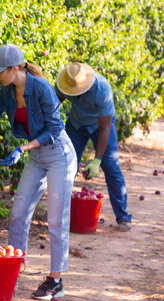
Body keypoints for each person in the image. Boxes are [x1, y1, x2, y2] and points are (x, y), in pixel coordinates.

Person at [0, 44, 77, 300]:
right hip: (36, 156)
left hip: (59, 155)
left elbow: (55, 130)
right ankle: (13, 269)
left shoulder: (43, 89)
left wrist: (22, 148)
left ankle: (55, 280)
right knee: (18, 215)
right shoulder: (7, 92)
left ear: (14, 68)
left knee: (56, 219)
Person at [55, 62, 132, 231]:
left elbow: (105, 128)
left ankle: (123, 217)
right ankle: (61, 215)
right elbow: (54, 104)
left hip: (100, 126)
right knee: (66, 166)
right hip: (76, 124)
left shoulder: (102, 89)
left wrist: (97, 160)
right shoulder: (64, 82)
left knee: (111, 167)